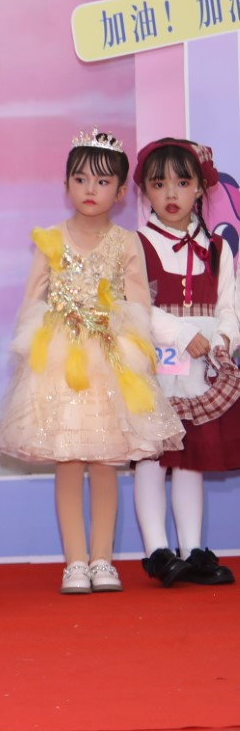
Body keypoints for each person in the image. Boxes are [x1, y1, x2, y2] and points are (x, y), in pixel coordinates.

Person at [0, 130, 183, 594]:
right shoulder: (51, 239)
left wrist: (127, 344)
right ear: (66, 185)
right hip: (60, 363)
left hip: (108, 361)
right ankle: (75, 561)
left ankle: (103, 560)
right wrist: (37, 347)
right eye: (80, 179)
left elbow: (139, 305)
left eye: (102, 181)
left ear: (121, 191)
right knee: (69, 459)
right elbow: (32, 301)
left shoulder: (126, 242)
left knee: (105, 461)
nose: (90, 189)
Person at [132, 138, 237, 587]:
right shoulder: (136, 245)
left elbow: (230, 304)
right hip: (154, 367)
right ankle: (157, 550)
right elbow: (133, 306)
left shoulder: (218, 247)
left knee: (192, 458)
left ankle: (192, 549)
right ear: (144, 191)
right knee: (152, 456)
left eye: (182, 182)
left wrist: (223, 342)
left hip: (202, 370)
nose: (171, 193)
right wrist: (180, 334)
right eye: (159, 184)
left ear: (199, 188)